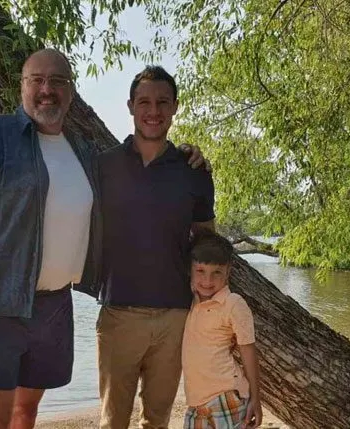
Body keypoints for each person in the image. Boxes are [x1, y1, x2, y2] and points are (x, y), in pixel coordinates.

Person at [0, 50, 206, 429]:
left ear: (71, 91)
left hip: (54, 307)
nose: (47, 90)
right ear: (23, 86)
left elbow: (141, 180)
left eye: (58, 81)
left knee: (26, 413)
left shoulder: (84, 153)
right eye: (37, 80)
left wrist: (186, 156)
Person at [96, 65, 216, 429]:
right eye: (144, 102)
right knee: (112, 421)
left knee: (158, 420)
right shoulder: (103, 165)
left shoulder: (193, 171)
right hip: (118, 313)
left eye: (163, 102)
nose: (154, 110)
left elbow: (206, 243)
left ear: (176, 107)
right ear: (130, 106)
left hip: (174, 317)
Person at [182, 231, 262, 429]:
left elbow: (248, 350)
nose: (208, 281)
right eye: (201, 271)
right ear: (190, 270)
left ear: (228, 272)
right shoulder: (188, 301)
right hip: (196, 402)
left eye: (216, 272)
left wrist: (256, 398)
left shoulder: (233, 303)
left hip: (227, 397)